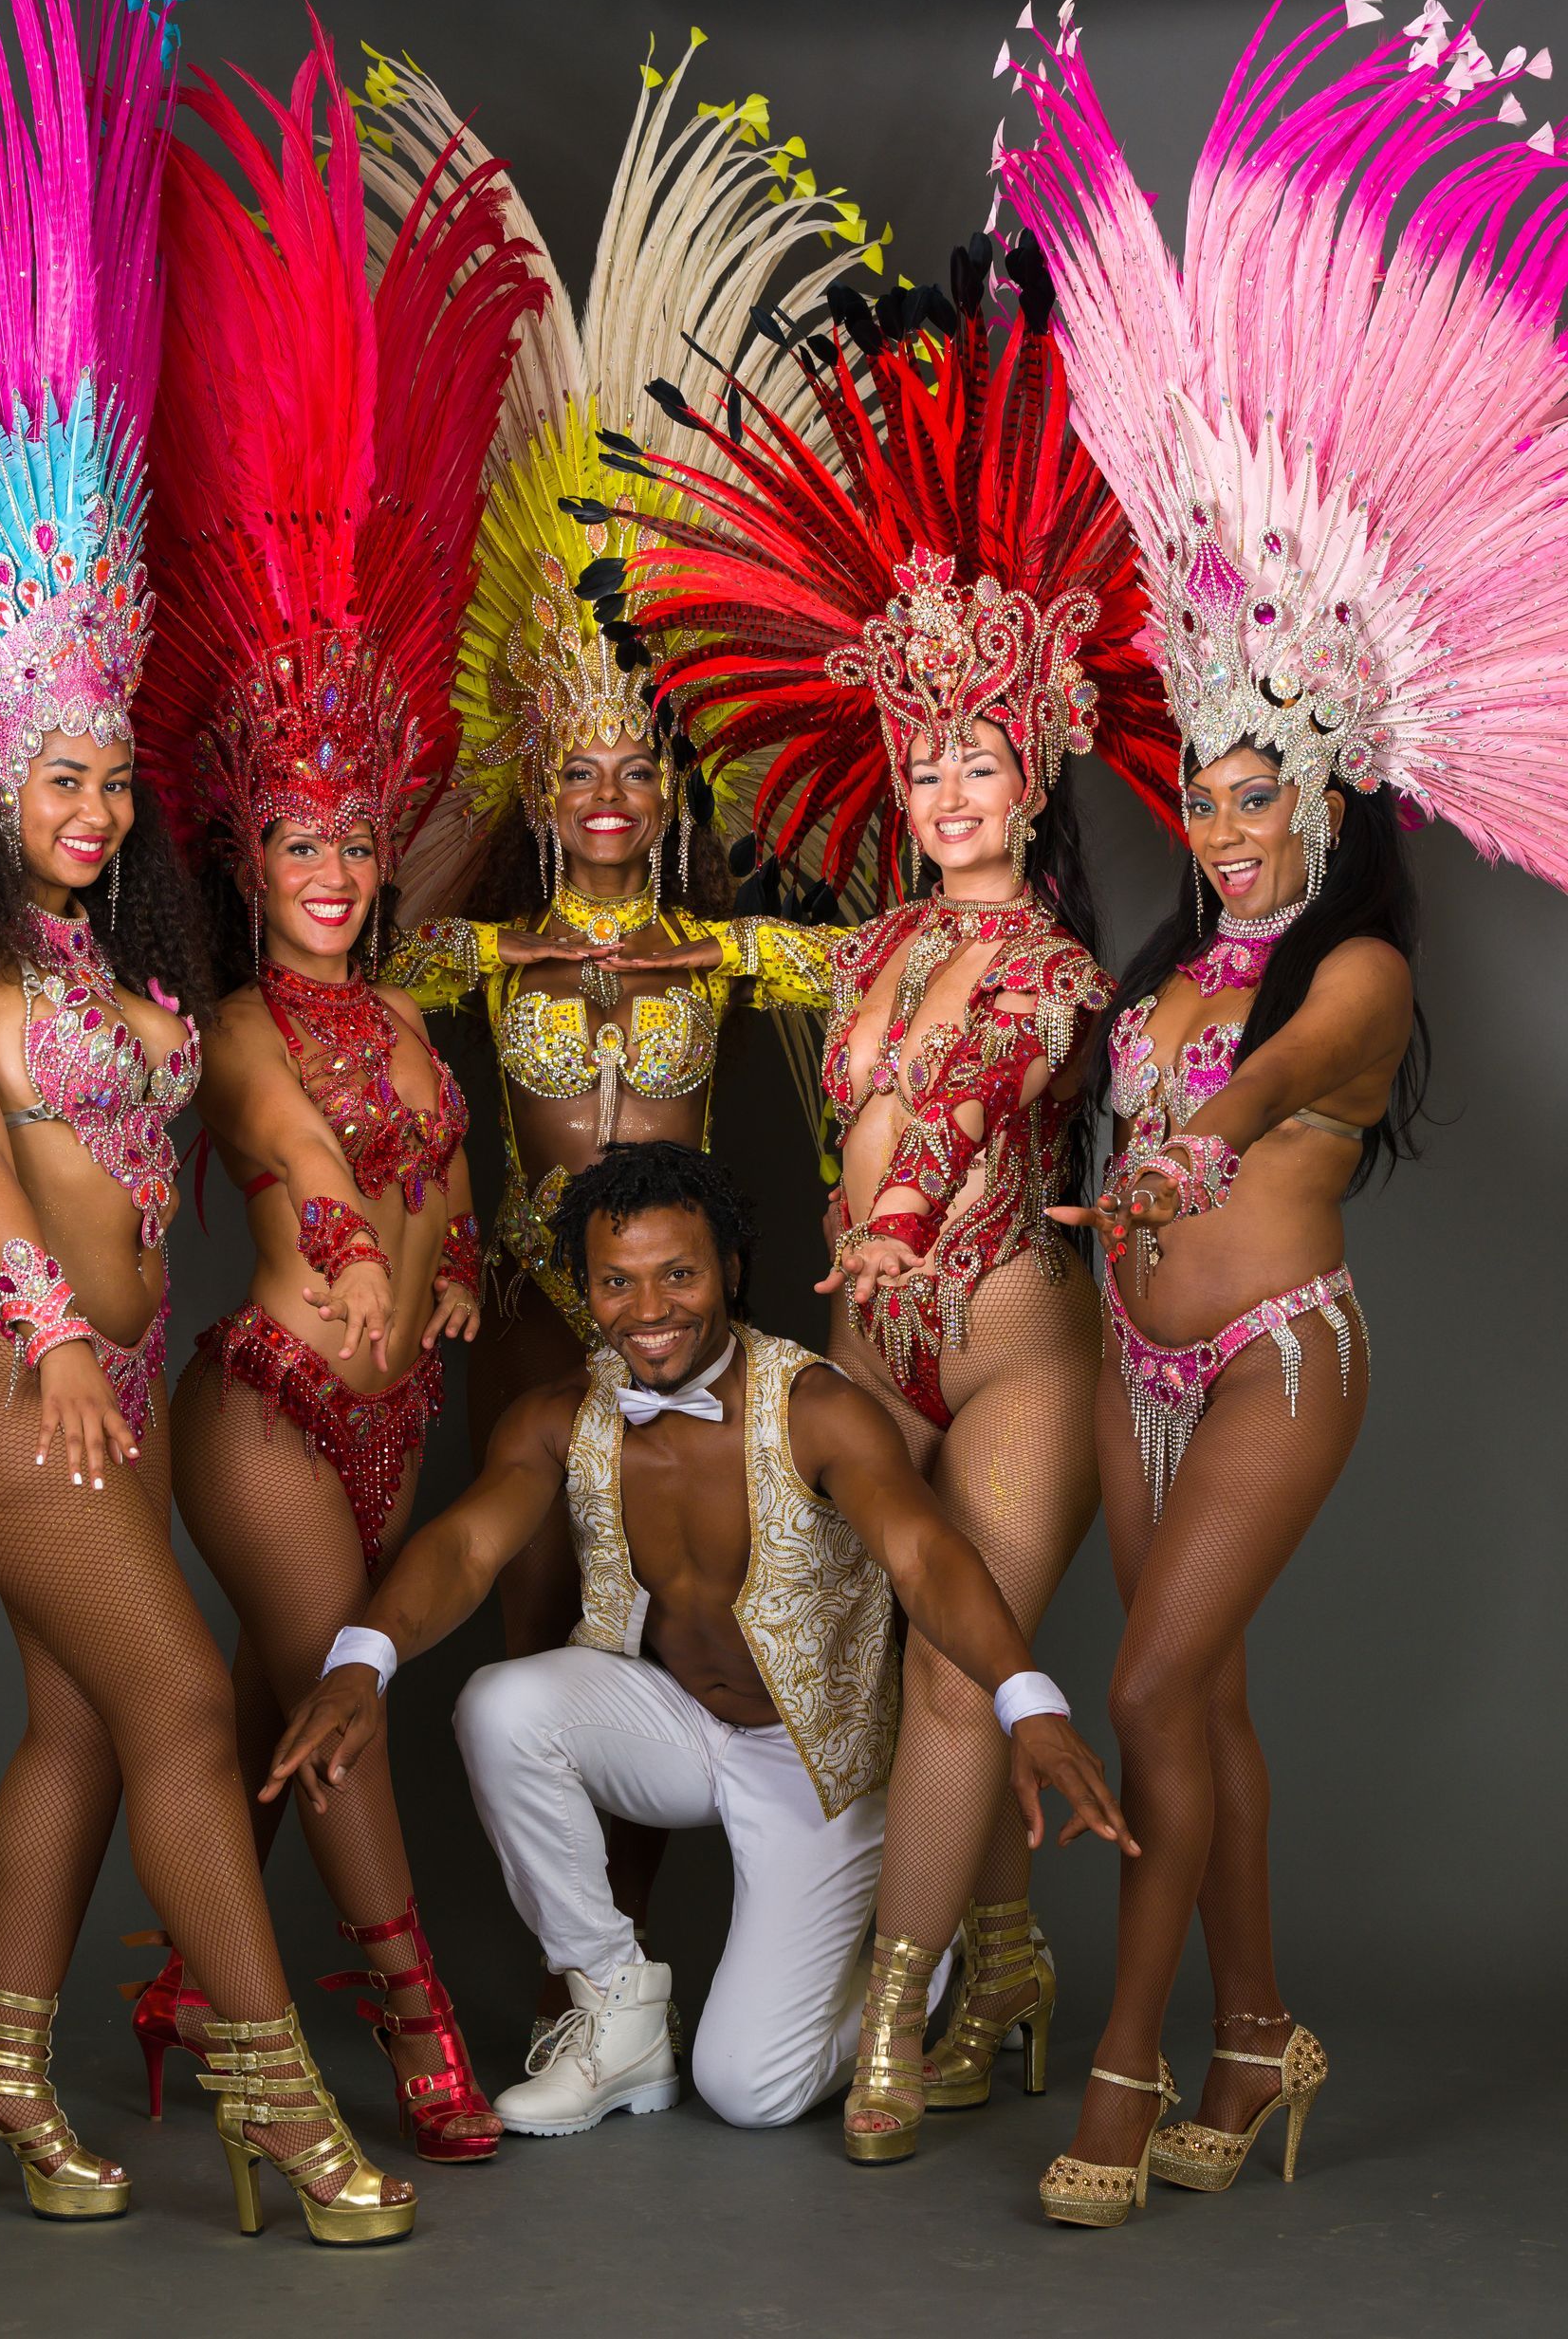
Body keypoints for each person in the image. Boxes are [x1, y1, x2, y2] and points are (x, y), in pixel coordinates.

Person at [0, 0, 413, 2242]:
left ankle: (0, 2076)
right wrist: (46, 1327)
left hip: (103, 1369)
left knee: (69, 1724)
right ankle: (275, 2095)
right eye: (63, 766)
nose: (98, 795)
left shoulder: (120, 950)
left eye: (114, 770)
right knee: (178, 1695)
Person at [999, 0, 1568, 2223]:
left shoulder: (1349, 971)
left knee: (1147, 1680)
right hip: (1133, 1351)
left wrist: (1203, 1137)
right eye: (1211, 792)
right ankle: (1261, 2028)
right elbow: (1144, 1081)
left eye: (1267, 796)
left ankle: (1131, 2072)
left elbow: (1307, 1074)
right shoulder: (1174, 954)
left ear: (1332, 801)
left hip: (1267, 1357)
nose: (1229, 825)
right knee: (1202, 1707)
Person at [608, 243, 1179, 2157]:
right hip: (864, 1362)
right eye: (924, 759)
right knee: (844, 1655)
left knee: (957, 1665)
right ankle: (995, 1954)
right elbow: (660, 955)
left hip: (1007, 1344)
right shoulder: (853, 961)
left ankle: (892, 2012)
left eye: (982, 759)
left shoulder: (1065, 981)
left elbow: (1007, 1117)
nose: (948, 787)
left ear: (1035, 778)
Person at [358, 38, 864, 2035]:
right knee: (538, 1597)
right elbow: (366, 976)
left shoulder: (726, 944)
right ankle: (605, 1967)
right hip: (530, 1301)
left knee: (693, 1599)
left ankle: (725, 1914)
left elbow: (881, 956)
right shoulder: (480, 959)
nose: (599, 791)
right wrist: (473, 776)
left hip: (693, 1311)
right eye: (569, 765)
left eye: (625, 764)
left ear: (668, 781)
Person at [121, 27, 542, 2164]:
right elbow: (290, 1147)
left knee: (321, 1696)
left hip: (404, 1407)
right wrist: (367, 1236)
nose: (330, 867)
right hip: (276, 1402)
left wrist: (457, 1268)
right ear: (242, 857)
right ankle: (416, 2037)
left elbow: (442, 1167)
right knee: (361, 1702)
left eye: (351, 841)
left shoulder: (410, 991)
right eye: (294, 843)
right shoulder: (239, 1024)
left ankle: (192, 1984)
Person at [264, 1143, 1136, 2138]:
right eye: (617, 1283)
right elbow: (466, 1545)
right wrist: (357, 1666)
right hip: (679, 1727)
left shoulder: (815, 1408)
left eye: (677, 1274)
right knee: (500, 1707)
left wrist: (1029, 1700)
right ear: (585, 1288)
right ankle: (618, 2011)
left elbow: (926, 1557)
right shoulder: (564, 1412)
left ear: (728, 1269)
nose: (649, 1310)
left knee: (748, 2089)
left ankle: (924, 1960)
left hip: (816, 1763)